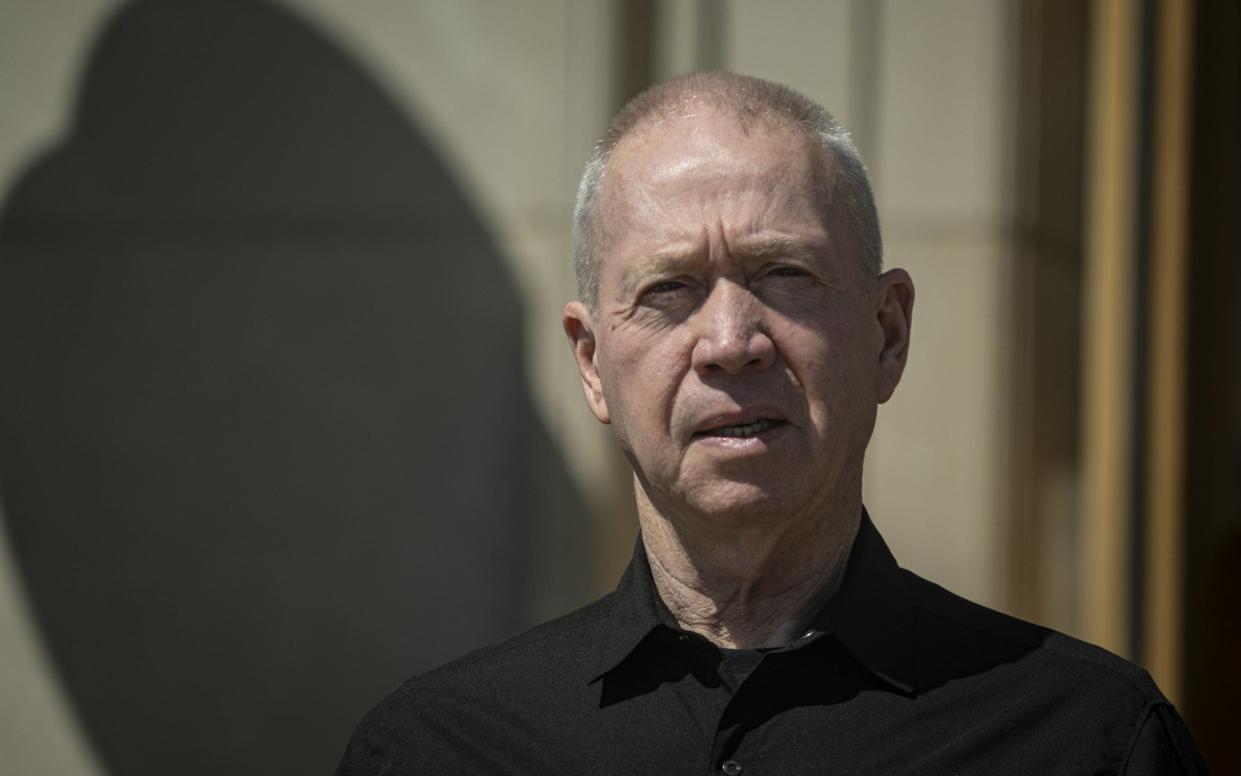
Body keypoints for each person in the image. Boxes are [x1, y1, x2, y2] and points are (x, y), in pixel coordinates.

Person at [337, 71, 1206, 775]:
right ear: (593, 363)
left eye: (782, 273)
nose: (729, 343)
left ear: (886, 332)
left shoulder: (1084, 739)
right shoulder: (437, 748)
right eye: (668, 289)